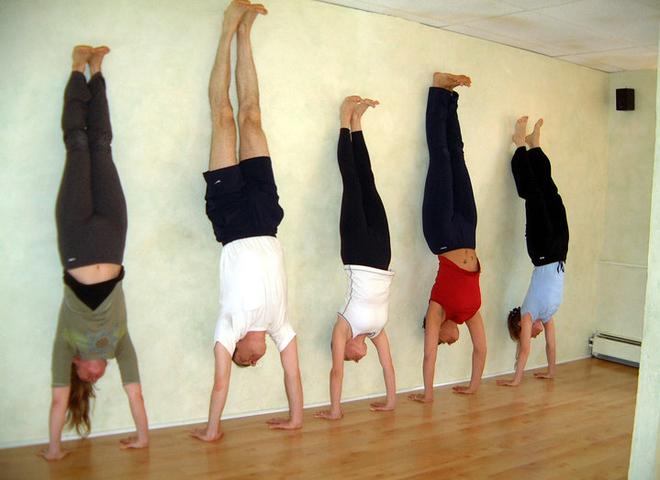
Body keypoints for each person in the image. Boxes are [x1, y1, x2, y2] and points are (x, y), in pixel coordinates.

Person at [190, 0, 303, 443]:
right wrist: (296, 419)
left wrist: (212, 430)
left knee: (223, 118)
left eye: (244, 361)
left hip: (232, 220)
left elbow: (220, 384)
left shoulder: (228, 327)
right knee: (252, 116)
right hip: (267, 216)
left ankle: (227, 27)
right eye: (255, 362)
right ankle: (245, 31)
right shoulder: (280, 326)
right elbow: (293, 375)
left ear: (235, 349)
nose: (253, 361)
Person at [42, 45, 148, 461]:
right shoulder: (118, 344)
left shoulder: (66, 344)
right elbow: (136, 392)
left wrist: (54, 449)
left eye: (90, 380)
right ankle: (98, 72)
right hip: (112, 235)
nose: (98, 376)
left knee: (78, 145)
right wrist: (143, 438)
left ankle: (76, 69)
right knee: (101, 146)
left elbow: (58, 400)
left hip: (75, 240)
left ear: (79, 371)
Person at [314, 96, 397, 421]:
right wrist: (391, 401)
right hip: (383, 255)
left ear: (344, 348)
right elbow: (388, 366)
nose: (356, 359)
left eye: (350, 358)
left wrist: (335, 410)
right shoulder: (377, 331)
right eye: (354, 359)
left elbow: (336, 372)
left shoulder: (343, 326)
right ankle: (359, 123)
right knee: (369, 183)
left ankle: (344, 120)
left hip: (357, 252)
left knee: (352, 182)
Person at [409, 72, 487, 404]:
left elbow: (429, 356)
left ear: (435, 329)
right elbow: (481, 349)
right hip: (468, 232)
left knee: (441, 157)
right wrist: (473, 386)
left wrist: (428, 394)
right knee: (458, 156)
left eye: (442, 341)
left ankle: (437, 89)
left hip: (440, 234)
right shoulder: (470, 312)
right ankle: (450, 98)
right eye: (447, 343)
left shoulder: (437, 310)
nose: (448, 342)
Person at [497, 117, 568, 387]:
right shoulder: (547, 316)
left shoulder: (528, 314)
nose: (533, 336)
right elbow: (552, 345)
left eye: (528, 335)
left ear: (520, 327)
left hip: (541, 251)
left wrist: (516, 379)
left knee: (534, 196)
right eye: (532, 335)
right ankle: (535, 145)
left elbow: (524, 350)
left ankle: (519, 145)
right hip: (559, 252)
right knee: (552, 195)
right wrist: (551, 371)